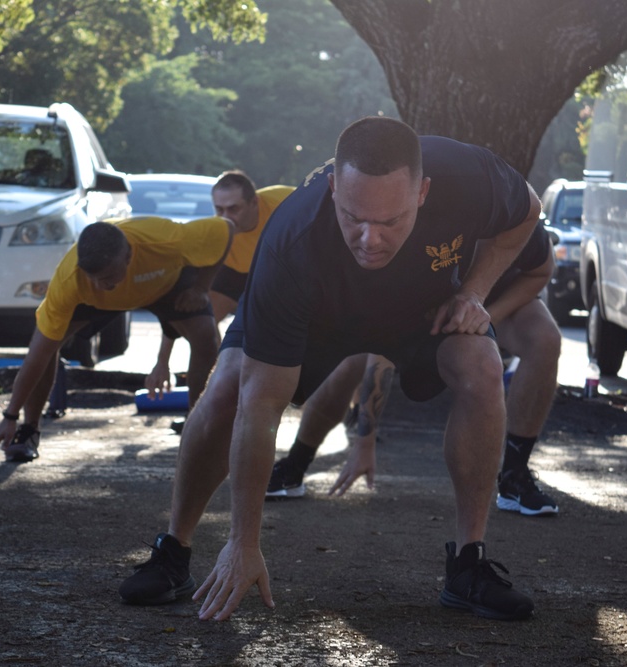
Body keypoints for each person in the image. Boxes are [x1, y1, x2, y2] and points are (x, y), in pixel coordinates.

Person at [118, 117, 542, 621]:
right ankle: (173, 552)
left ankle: (469, 566)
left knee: (483, 366)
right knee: (230, 387)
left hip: (420, 308)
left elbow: (528, 212)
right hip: (316, 312)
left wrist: (474, 292)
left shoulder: (470, 176)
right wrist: (243, 541)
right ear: (334, 187)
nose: (370, 239)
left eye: (392, 222)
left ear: (424, 192)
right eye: (354, 217)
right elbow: (261, 408)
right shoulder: (290, 238)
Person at [268, 222, 562, 518]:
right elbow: (378, 354)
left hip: (489, 299)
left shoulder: (517, 210)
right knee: (351, 363)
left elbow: (541, 270)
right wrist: (364, 442)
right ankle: (295, 463)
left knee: (545, 338)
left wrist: (483, 318)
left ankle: (514, 476)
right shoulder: (423, 219)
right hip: (422, 303)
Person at [0, 215, 233, 462]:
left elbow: (227, 229)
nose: (101, 284)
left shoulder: (166, 239)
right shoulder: (71, 281)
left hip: (166, 285)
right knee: (48, 347)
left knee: (206, 336)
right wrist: (10, 416)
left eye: (108, 276)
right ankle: (28, 430)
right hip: (93, 304)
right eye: (94, 277)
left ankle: (199, 429)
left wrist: (201, 287)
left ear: (128, 256)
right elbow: (36, 356)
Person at [145, 172, 292, 424]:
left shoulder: (285, 202)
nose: (226, 218)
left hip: (277, 272)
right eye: (219, 209)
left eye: (233, 209)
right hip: (232, 272)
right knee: (202, 325)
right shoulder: (215, 235)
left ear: (254, 202)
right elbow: (179, 310)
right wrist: (162, 362)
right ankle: (198, 416)